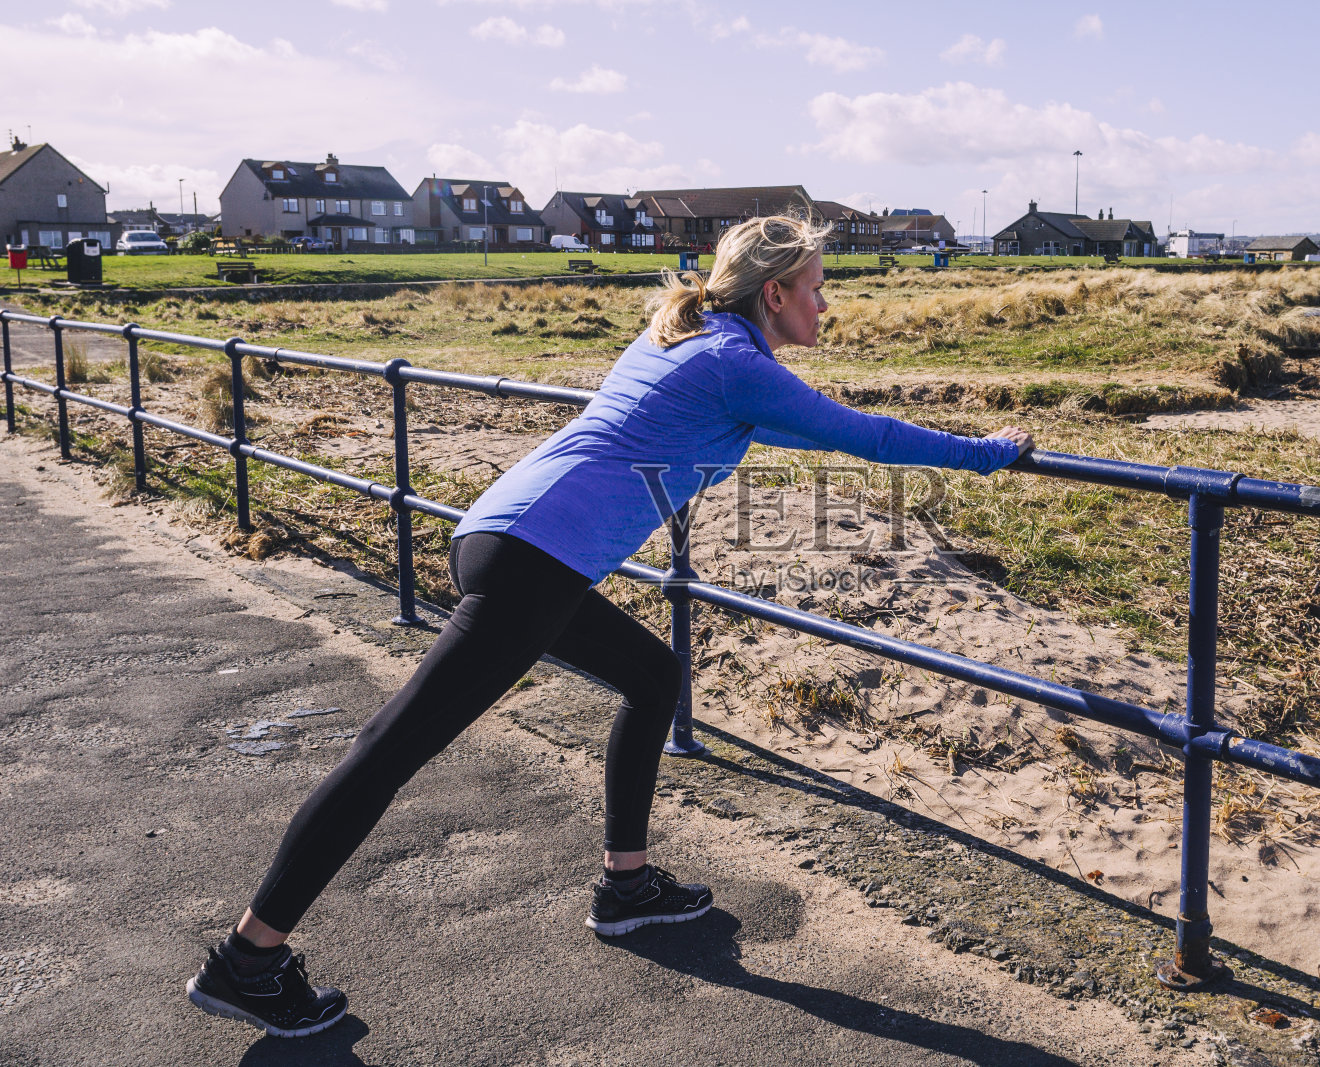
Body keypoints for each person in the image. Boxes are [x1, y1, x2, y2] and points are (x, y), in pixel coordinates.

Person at [186, 215, 1035, 1038]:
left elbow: (796, 426)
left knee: (653, 676)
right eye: (817, 289)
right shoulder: (735, 362)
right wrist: (992, 452)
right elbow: (870, 437)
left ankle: (626, 885)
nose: (827, 306)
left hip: (506, 538)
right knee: (391, 747)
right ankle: (248, 958)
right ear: (774, 294)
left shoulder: (695, 341)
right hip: (532, 562)